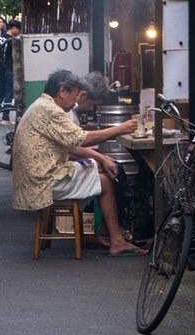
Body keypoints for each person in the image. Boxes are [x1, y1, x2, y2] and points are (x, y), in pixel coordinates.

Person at [11, 69, 143, 256]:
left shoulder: (43, 106)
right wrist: (120, 129)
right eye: (74, 95)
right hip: (42, 182)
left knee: (100, 171)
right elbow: (82, 140)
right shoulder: (50, 111)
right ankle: (116, 240)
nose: (75, 101)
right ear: (62, 91)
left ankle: (106, 235)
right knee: (105, 181)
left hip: (38, 176)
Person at [0, 20, 22, 110]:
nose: (19, 32)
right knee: (8, 94)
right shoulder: (12, 41)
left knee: (0, 94)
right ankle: (5, 118)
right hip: (10, 69)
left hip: (0, 69)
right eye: (19, 30)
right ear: (13, 28)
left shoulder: (1, 38)